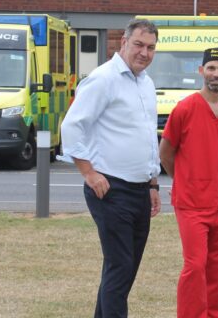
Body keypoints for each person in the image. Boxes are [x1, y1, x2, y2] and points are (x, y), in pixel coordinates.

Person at [60, 18, 161, 318]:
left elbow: (147, 137)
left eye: (151, 47)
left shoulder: (147, 82)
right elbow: (72, 126)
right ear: (123, 43)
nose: (144, 53)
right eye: (139, 45)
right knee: (120, 268)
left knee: (123, 271)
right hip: (111, 190)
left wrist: (153, 184)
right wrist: (89, 173)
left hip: (140, 190)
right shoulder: (103, 79)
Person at [159, 47, 218, 318]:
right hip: (191, 205)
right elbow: (166, 152)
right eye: (211, 68)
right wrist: (185, 181)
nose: (216, 74)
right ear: (201, 71)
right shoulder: (184, 109)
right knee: (195, 266)